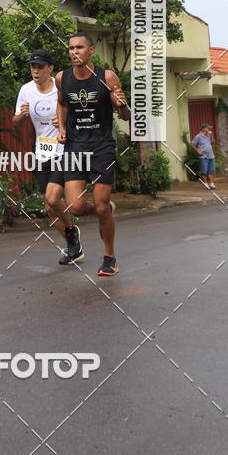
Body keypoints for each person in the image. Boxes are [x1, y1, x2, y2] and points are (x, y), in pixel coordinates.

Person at [56, 32, 130, 276]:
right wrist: (63, 128)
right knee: (75, 207)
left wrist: (123, 104)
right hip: (75, 147)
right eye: (71, 48)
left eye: (79, 47)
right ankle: (106, 207)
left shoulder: (107, 77)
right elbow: (63, 103)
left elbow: (124, 115)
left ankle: (110, 257)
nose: (74, 52)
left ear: (91, 51)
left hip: (101, 147)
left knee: (99, 208)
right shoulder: (62, 78)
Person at [13, 49, 83, 266]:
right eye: (33, 66)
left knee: (53, 199)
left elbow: (80, 114)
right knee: (49, 206)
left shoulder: (62, 87)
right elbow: (15, 121)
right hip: (42, 151)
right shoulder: (26, 90)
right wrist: (22, 116)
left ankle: (71, 232)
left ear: (50, 69)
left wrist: (63, 124)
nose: (35, 70)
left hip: (64, 150)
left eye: (40, 66)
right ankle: (74, 246)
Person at [190, 123, 216, 189]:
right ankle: (206, 183)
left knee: (211, 170)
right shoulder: (198, 136)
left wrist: (211, 135)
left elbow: (213, 142)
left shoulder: (209, 135)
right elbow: (192, 144)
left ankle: (211, 183)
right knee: (204, 171)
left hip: (211, 155)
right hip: (203, 156)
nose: (209, 129)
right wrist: (198, 150)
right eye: (208, 128)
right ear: (203, 129)